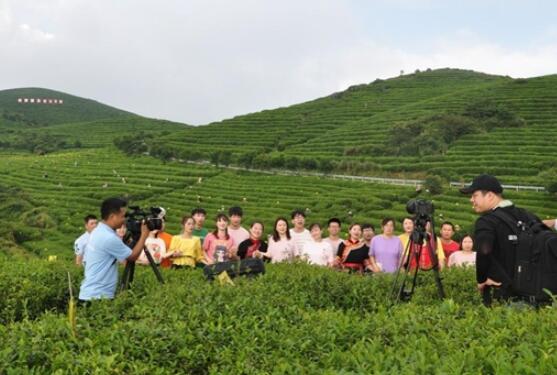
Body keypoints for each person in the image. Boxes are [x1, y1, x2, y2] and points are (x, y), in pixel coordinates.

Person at [460, 174, 542, 301]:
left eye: (475, 195)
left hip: (500, 288)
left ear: (490, 196)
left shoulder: (486, 221)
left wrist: (481, 279)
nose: (471, 199)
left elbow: (484, 251)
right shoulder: (527, 215)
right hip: (532, 289)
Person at [79, 198, 148, 301]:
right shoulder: (108, 237)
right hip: (99, 297)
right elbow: (132, 256)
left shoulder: (98, 230)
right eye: (122, 216)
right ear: (112, 216)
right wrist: (144, 235)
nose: (125, 219)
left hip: (90, 293)